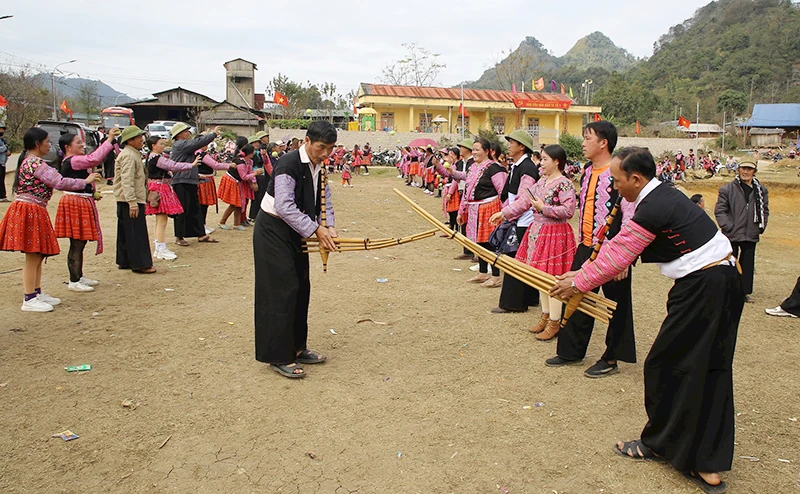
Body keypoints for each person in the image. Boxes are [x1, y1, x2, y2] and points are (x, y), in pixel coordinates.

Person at [551, 146, 744, 494]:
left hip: (705, 287)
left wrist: (577, 282)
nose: (615, 186)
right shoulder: (661, 196)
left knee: (666, 364)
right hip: (722, 281)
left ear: (636, 179)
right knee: (709, 367)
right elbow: (617, 250)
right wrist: (582, 273)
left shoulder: (653, 206)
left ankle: (661, 444)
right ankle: (706, 463)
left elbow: (620, 252)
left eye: (618, 180)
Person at [545, 121, 637, 378]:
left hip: (614, 250)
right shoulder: (587, 171)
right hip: (587, 245)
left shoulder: (620, 172)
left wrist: (625, 258)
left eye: (587, 138)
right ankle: (570, 350)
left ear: (603, 142)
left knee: (614, 303)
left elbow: (630, 216)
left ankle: (611, 357)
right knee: (575, 292)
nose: (583, 143)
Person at [254, 121, 338, 378]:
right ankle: (279, 355)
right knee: (281, 291)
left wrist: (329, 226)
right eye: (321, 147)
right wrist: (316, 230)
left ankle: (298, 348)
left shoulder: (319, 167)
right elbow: (284, 206)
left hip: (296, 231)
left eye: (330, 149)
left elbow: (325, 199)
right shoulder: (288, 164)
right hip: (273, 231)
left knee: (301, 288)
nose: (325, 154)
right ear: (307, 141)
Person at [0, 128, 102, 312]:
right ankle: (29, 297)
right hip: (30, 210)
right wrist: (85, 182)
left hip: (35, 209)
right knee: (33, 255)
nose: (50, 145)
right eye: (47, 141)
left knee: (37, 254)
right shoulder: (35, 163)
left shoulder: (31, 161)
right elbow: (60, 182)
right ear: (37, 145)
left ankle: (35, 292)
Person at [515, 144, 576, 339]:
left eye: (544, 159)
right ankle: (546, 315)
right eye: (540, 159)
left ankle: (555, 322)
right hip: (538, 232)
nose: (540, 163)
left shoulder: (564, 184)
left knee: (554, 278)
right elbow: (524, 201)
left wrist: (544, 208)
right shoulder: (541, 182)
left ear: (557, 161)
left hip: (555, 233)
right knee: (541, 277)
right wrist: (504, 213)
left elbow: (569, 211)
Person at [54, 128, 121, 292]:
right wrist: (110, 139)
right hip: (75, 203)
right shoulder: (73, 160)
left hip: (80, 200)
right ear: (68, 147)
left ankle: (79, 275)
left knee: (80, 242)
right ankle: (74, 280)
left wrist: (92, 192)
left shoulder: (72, 160)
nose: (82, 144)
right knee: (76, 242)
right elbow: (95, 159)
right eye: (78, 142)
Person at [439, 138, 507, 286]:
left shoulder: (495, 168)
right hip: (474, 208)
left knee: (491, 242)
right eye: (473, 149)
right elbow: (467, 185)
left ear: (487, 152)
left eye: (477, 149)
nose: (474, 152)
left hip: (490, 208)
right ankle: (483, 273)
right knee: (479, 243)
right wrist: (462, 210)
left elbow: (502, 191)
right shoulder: (473, 167)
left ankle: (495, 276)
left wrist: (504, 213)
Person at [489, 129, 540, 313]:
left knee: (514, 262)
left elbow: (525, 200)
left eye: (512, 142)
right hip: (516, 220)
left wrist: (505, 214)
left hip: (522, 222)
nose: (509, 146)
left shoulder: (527, 168)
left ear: (521, 146)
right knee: (525, 261)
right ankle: (530, 297)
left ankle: (513, 303)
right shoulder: (517, 166)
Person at [714, 161, 768, 303]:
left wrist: (760, 227)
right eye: (743, 168)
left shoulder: (761, 190)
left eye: (749, 169)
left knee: (747, 264)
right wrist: (728, 226)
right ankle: (727, 290)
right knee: (730, 263)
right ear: (738, 170)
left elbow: (765, 210)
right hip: (733, 232)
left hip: (751, 232)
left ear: (754, 171)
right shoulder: (727, 189)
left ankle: (743, 292)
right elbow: (720, 210)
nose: (746, 172)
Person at [144, 136, 202, 261]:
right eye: (161, 144)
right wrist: (191, 165)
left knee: (160, 221)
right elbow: (173, 165)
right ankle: (161, 248)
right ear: (154, 145)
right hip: (160, 188)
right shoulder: (157, 158)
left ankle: (159, 248)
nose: (163, 146)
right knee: (162, 220)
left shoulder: (151, 157)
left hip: (156, 187)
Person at [169, 122, 221, 246]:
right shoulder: (180, 144)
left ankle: (201, 234)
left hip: (188, 181)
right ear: (179, 134)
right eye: (186, 131)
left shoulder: (183, 145)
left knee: (195, 209)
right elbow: (197, 143)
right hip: (181, 181)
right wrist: (212, 134)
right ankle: (179, 236)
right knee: (182, 210)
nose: (188, 133)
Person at [114, 126, 156, 274]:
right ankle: (140, 263)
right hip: (130, 200)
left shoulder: (132, 153)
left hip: (127, 199)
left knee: (126, 232)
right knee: (136, 232)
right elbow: (127, 180)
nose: (142, 140)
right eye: (139, 137)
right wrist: (132, 202)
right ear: (130, 140)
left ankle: (125, 260)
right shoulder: (129, 156)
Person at [218, 143, 262, 230]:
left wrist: (254, 182)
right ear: (250, 153)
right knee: (234, 203)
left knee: (239, 203)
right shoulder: (241, 163)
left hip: (238, 182)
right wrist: (255, 173)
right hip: (233, 181)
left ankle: (236, 224)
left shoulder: (249, 161)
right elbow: (244, 177)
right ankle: (222, 222)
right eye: (253, 152)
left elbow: (249, 172)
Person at [453, 139, 475, 261]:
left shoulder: (473, 163)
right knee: (463, 222)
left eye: (461, 146)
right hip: (463, 194)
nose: (460, 149)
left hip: (470, 197)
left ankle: (473, 251)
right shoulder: (463, 162)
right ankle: (467, 250)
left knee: (470, 224)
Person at [250, 131, 273, 221]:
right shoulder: (250, 154)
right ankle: (252, 215)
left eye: (257, 142)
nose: (256, 144)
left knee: (261, 196)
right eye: (254, 142)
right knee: (256, 197)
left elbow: (266, 163)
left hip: (262, 175)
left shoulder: (260, 152)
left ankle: (257, 215)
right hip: (255, 176)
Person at [0, 124, 10, 202]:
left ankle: (3, 195)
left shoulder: (3, 140)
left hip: (2, 163)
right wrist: (5, 147)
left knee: (2, 179)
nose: (2, 131)